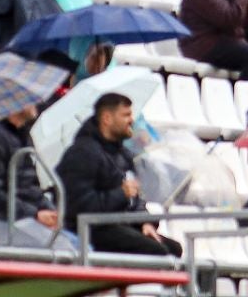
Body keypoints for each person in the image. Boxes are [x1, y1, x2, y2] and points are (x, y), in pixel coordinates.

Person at [55, 92, 182, 256]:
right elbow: (79, 206)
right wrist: (120, 194)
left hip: (121, 224)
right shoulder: (82, 153)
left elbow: (137, 199)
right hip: (92, 228)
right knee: (157, 252)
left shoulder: (123, 154)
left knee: (174, 249)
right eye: (126, 115)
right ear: (107, 118)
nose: (132, 120)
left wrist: (144, 222)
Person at [0, 104, 76, 249]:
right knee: (65, 249)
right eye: (30, 101)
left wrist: (49, 210)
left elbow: (32, 187)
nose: (36, 103)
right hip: (6, 220)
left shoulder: (23, 135)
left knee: (79, 246)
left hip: (25, 216)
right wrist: (35, 214)